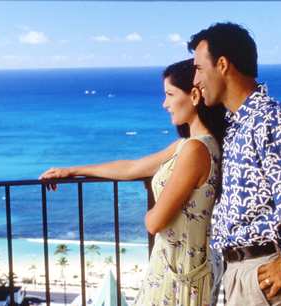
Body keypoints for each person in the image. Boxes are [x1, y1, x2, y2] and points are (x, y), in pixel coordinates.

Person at [39, 59, 226, 306]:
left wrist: (151, 214)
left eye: (170, 94)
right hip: (181, 269)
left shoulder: (195, 149)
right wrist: (73, 170)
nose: (165, 104)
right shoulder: (190, 145)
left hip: (181, 277)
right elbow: (133, 167)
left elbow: (155, 222)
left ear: (193, 95)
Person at [188, 23, 281, 306]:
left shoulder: (267, 119)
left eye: (198, 68)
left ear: (222, 64)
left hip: (267, 276)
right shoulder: (239, 123)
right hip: (248, 274)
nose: (194, 79)